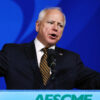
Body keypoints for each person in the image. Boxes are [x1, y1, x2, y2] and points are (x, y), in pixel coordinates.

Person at [0, 7, 100, 89]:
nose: (55, 28)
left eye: (60, 25)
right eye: (51, 23)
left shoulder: (71, 59)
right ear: (38, 26)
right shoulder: (12, 52)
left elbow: (95, 81)